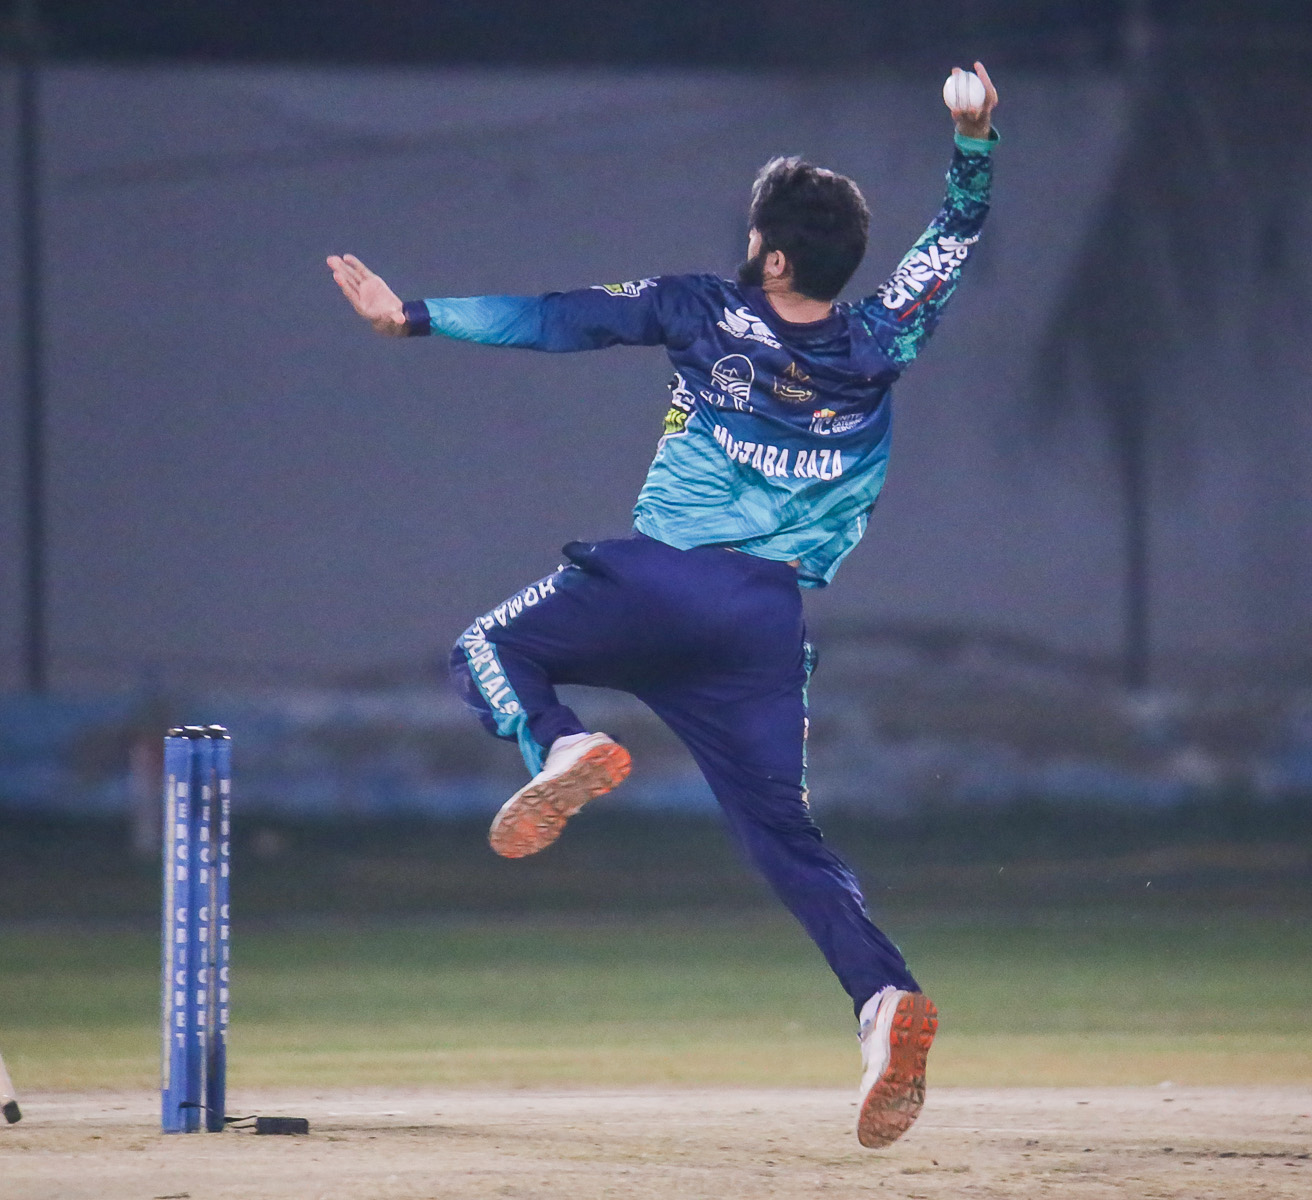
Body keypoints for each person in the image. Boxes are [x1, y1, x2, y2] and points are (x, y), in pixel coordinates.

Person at [328, 62, 999, 1149]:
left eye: (756, 229)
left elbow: (564, 319)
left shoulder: (703, 305)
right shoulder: (882, 340)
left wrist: (415, 316)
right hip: (763, 626)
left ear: (772, 256)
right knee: (784, 837)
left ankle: (559, 744)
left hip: (659, 582)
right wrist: (973, 140)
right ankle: (883, 1002)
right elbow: (952, 241)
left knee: (488, 646)